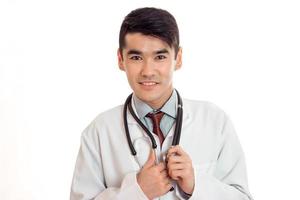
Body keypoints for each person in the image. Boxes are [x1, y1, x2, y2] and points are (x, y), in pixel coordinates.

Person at [70, 7, 253, 200]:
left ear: (178, 58)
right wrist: (136, 192)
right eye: (136, 57)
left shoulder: (215, 121)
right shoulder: (99, 131)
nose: (148, 71)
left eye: (160, 57)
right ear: (120, 60)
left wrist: (195, 184)